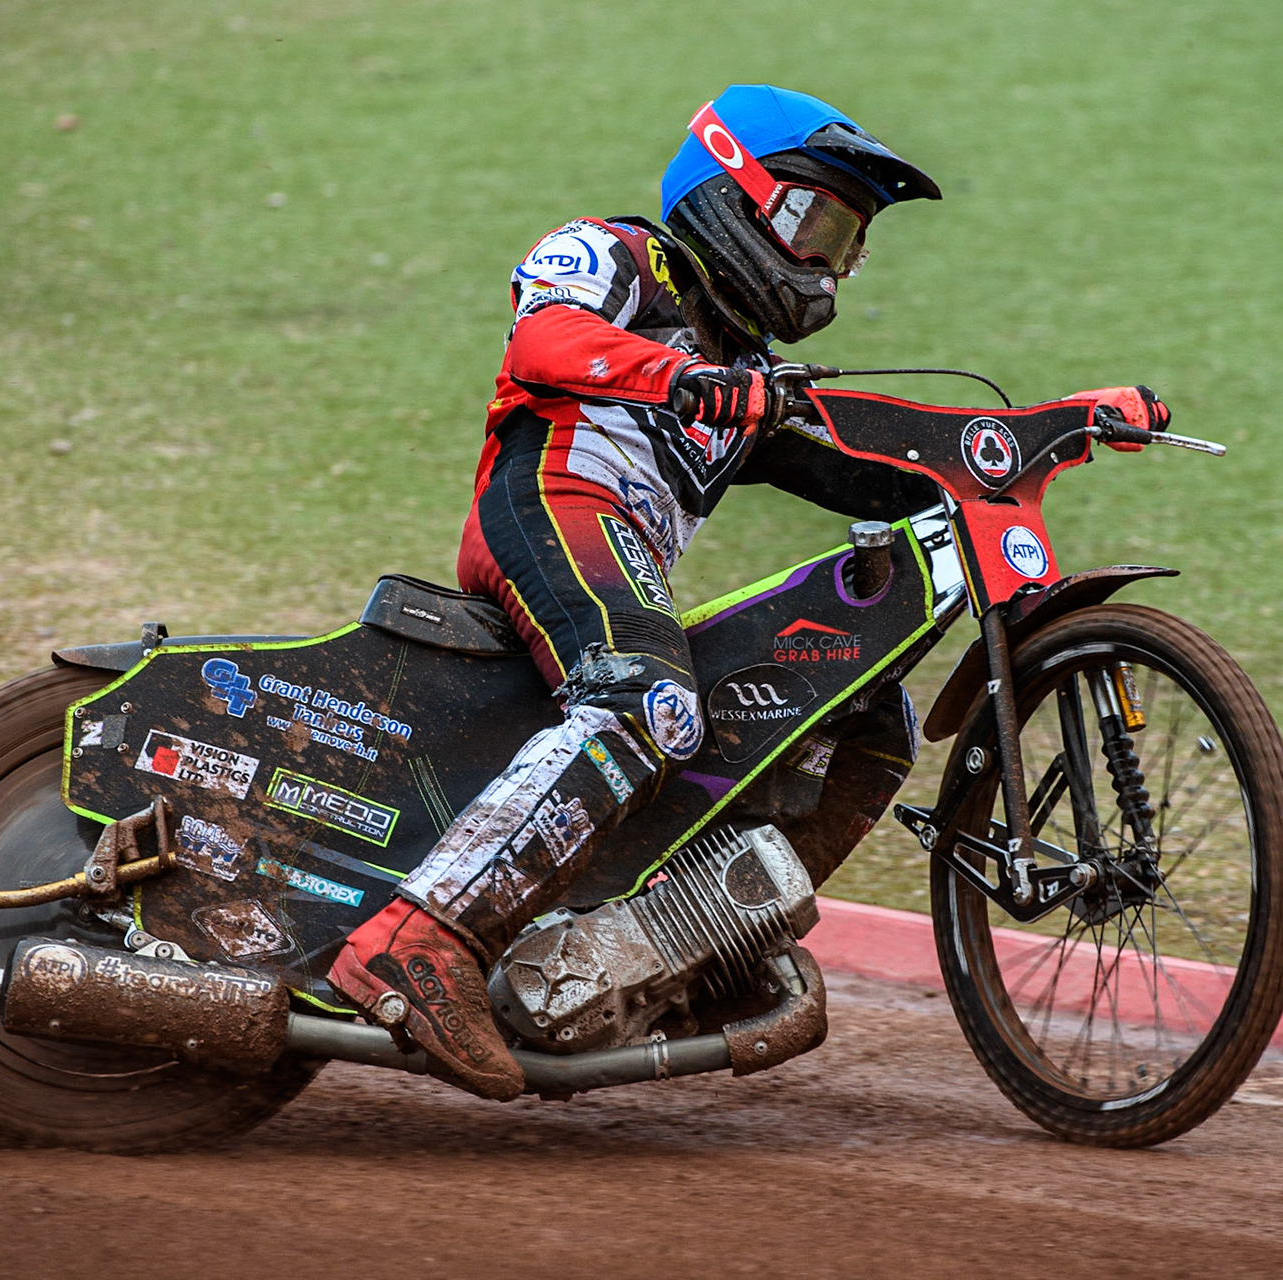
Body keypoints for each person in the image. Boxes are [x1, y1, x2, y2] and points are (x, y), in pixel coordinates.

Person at [328, 85, 1169, 1100]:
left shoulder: (753, 375)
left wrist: (1056, 426)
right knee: (648, 697)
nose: (827, 262)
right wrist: (681, 379)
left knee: (872, 722)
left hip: (628, 550)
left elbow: (896, 469)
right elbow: (540, 343)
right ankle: (414, 939)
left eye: (846, 242)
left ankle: (680, 949)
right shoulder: (616, 253)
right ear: (733, 192)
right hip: (549, 506)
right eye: (814, 223)